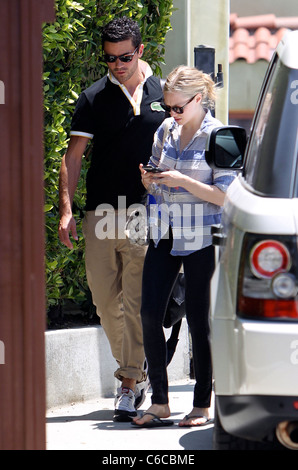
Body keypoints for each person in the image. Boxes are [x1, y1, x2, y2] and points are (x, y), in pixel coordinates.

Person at [58, 16, 165, 422]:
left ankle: (128, 384)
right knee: (105, 302)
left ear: (140, 51)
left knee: (136, 302)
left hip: (144, 211)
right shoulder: (92, 97)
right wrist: (67, 211)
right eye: (109, 59)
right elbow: (72, 157)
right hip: (100, 211)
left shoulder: (163, 91)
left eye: (124, 57)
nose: (117, 65)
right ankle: (142, 370)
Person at [132, 65, 235, 428]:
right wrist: (151, 180)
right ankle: (160, 402)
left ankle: (201, 404)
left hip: (203, 236)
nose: (171, 114)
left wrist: (181, 181)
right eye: (167, 107)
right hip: (164, 230)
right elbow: (158, 185)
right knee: (148, 313)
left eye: (178, 108)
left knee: (198, 321)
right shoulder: (165, 130)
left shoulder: (219, 135)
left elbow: (225, 196)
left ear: (198, 99)